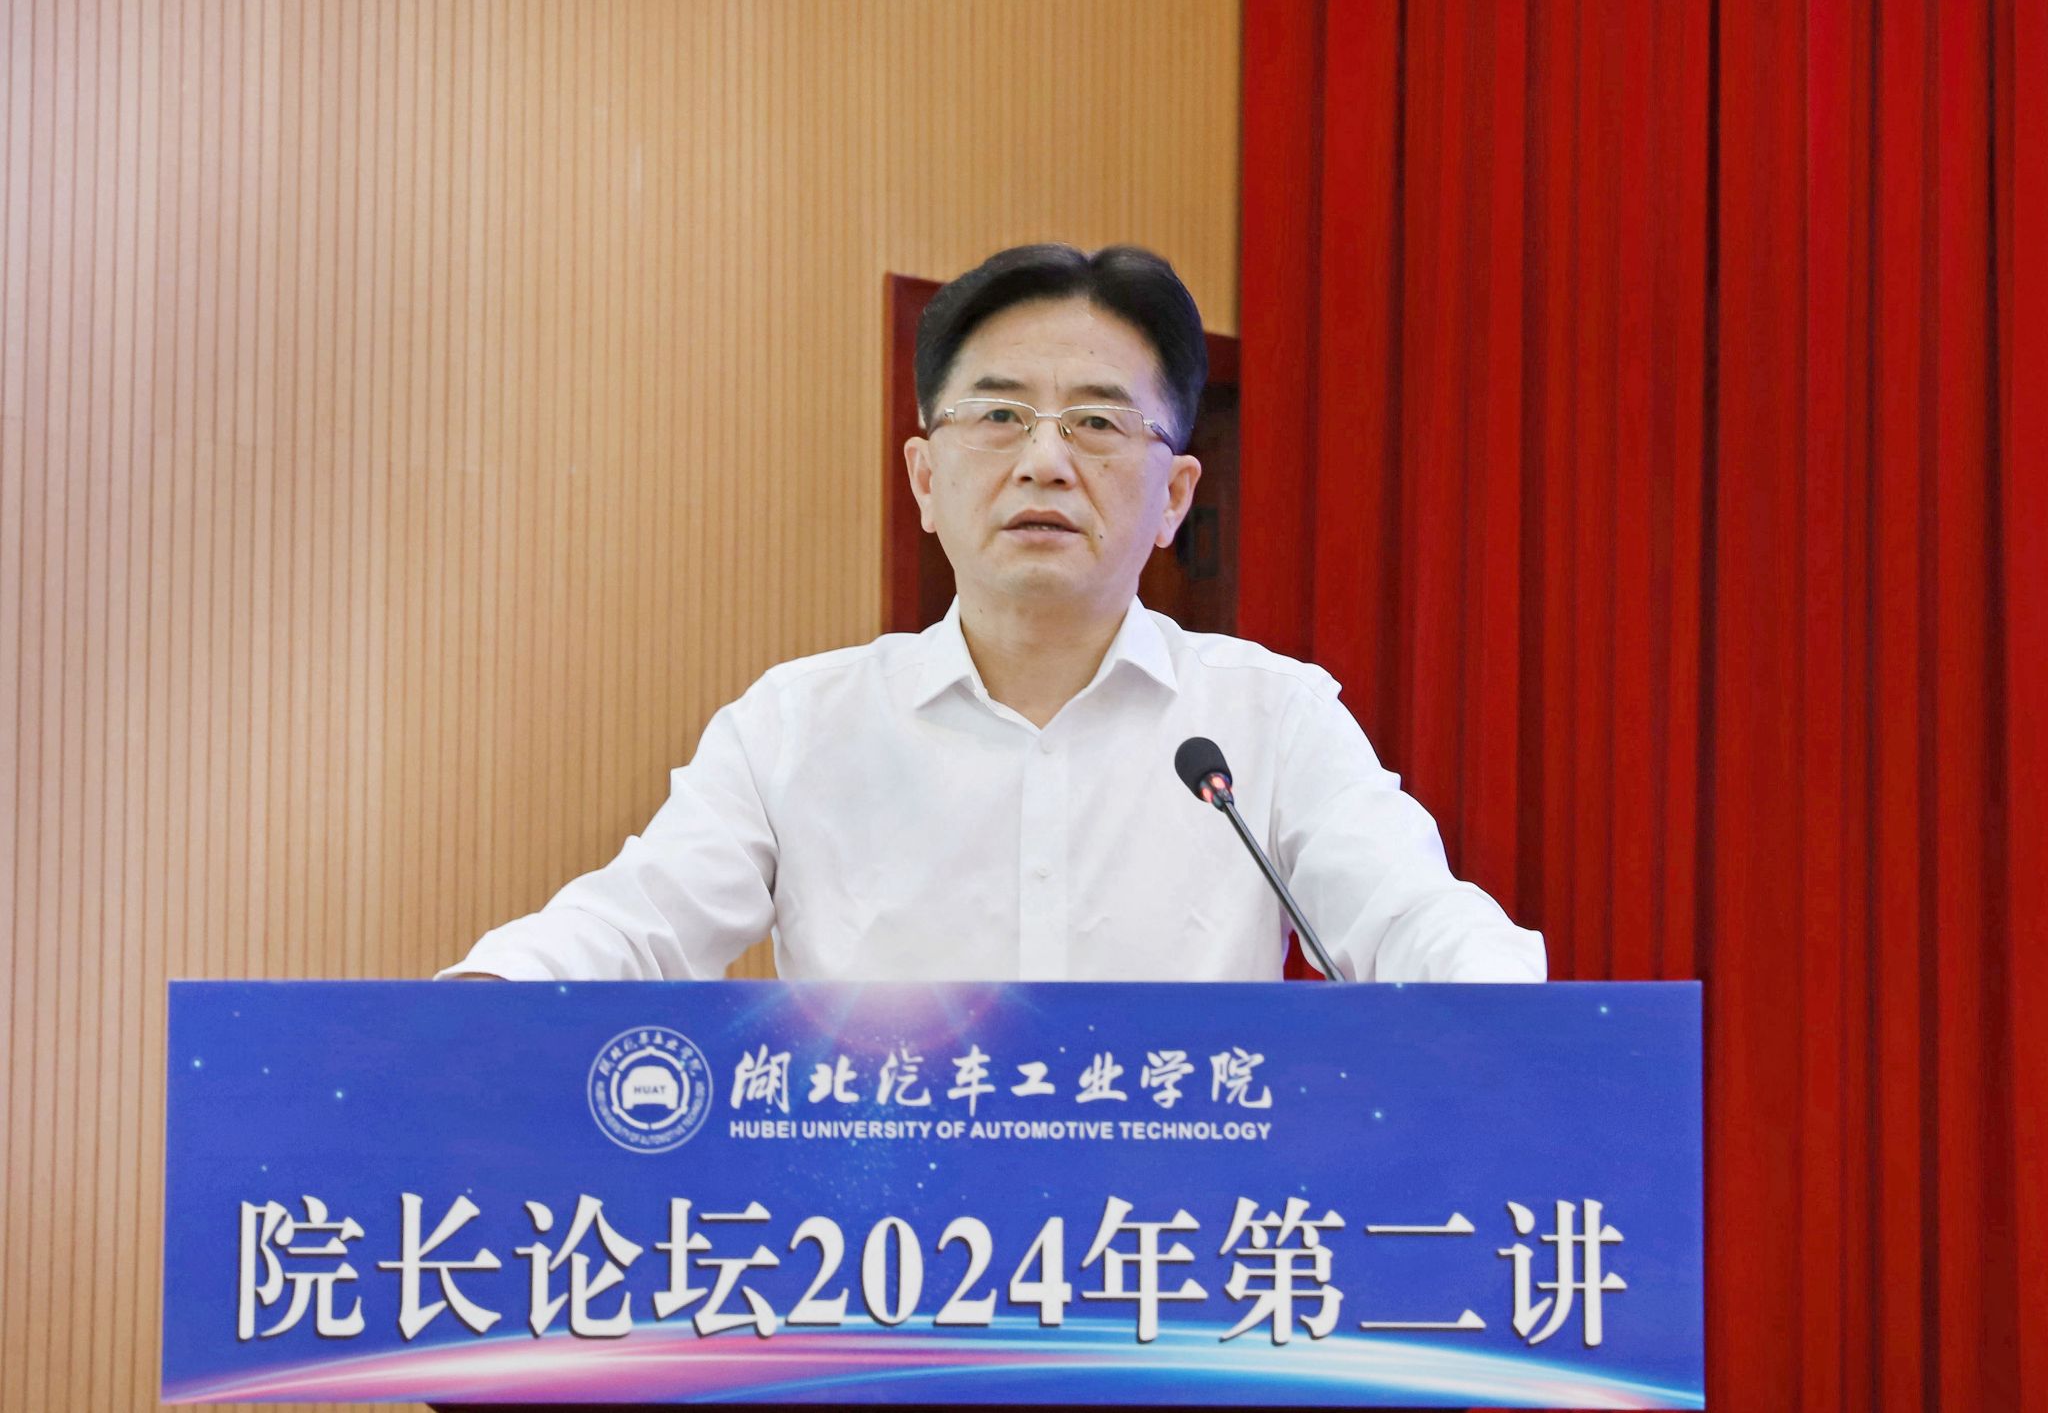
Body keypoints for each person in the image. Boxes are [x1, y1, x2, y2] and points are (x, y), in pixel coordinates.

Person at [441, 244, 1543, 984]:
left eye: (1099, 423)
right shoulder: (796, 726)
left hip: (1173, 1248)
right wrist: (481, 998)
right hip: (886, 1255)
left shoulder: (1271, 720)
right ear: (925, 480)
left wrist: (1528, 1019)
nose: (1045, 461)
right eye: (1000, 415)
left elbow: (1410, 918)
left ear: (1174, 497)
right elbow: (634, 923)